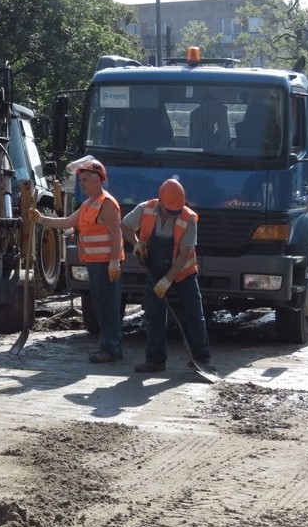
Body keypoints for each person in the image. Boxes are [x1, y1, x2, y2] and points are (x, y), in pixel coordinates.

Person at [31, 155, 124, 363]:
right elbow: (66, 223)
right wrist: (42, 219)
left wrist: (114, 261)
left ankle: (110, 349)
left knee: (108, 307)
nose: (81, 184)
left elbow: (116, 233)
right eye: (80, 180)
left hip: (106, 264)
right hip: (94, 263)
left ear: (97, 180)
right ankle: (112, 348)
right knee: (102, 306)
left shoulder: (106, 203)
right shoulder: (88, 204)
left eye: (84, 180)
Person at [120, 178, 212, 373]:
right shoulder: (145, 208)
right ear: (160, 203)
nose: (173, 214)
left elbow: (185, 253)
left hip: (183, 272)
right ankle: (155, 361)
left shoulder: (189, 218)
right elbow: (125, 226)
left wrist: (168, 279)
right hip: (154, 270)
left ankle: (202, 360)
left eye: (176, 211)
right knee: (154, 316)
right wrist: (136, 243)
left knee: (195, 314)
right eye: (170, 211)